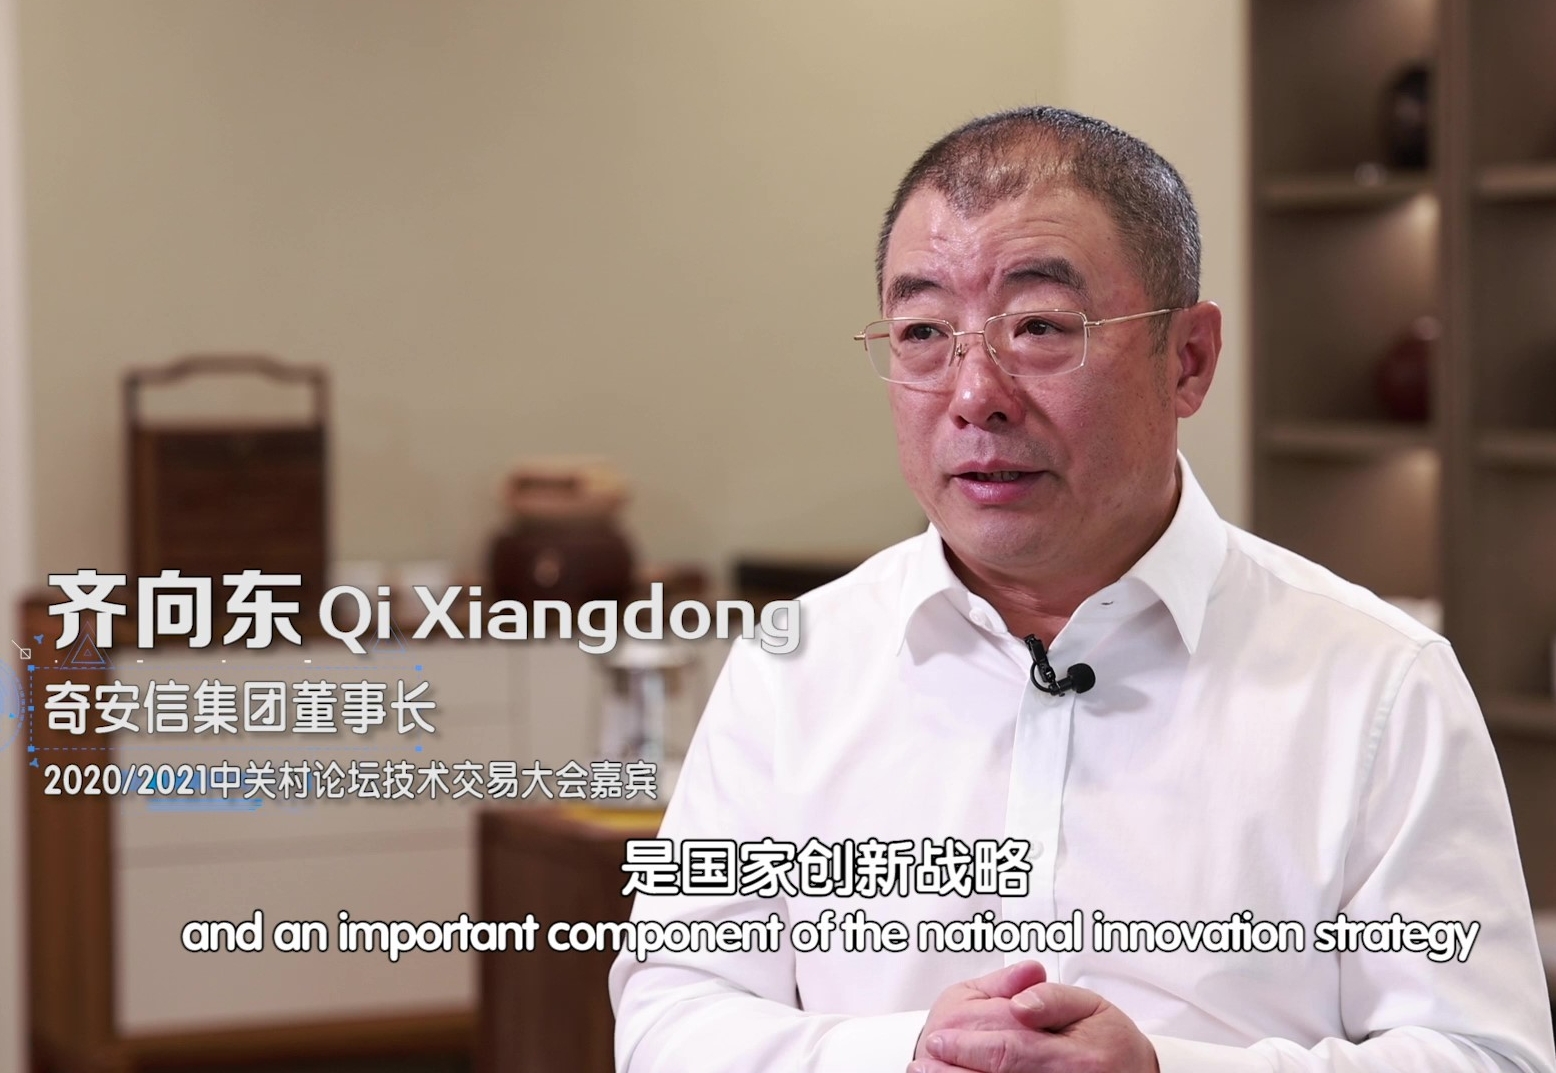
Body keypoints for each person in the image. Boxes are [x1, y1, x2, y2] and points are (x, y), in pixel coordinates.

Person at [608, 106, 1556, 1073]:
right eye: (924, 331)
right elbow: (670, 1012)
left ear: (1188, 360)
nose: (974, 395)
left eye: (1040, 327)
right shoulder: (794, 664)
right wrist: (905, 1057)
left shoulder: (1378, 681)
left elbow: (1486, 1056)